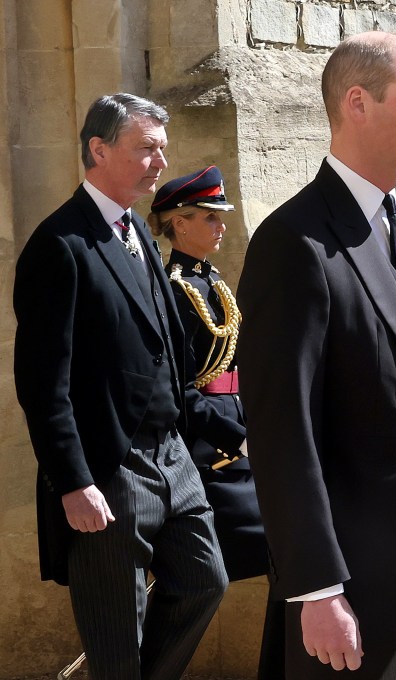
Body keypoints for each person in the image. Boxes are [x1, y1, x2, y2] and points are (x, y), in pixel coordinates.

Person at [236, 32, 396, 679]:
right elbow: (282, 429)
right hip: (371, 557)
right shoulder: (294, 242)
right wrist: (316, 587)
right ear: (357, 104)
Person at [13, 93, 228, 678]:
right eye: (144, 149)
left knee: (205, 581)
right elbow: (42, 383)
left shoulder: (135, 227)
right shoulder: (59, 246)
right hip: (110, 466)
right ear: (98, 149)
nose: (159, 163)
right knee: (115, 635)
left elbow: (170, 353)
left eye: (162, 149)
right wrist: (74, 481)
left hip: (172, 456)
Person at [148, 166, 268, 582]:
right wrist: (236, 437)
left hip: (233, 428)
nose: (221, 225)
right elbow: (180, 389)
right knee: (214, 573)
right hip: (206, 444)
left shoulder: (211, 281)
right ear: (179, 223)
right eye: (210, 216)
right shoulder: (175, 289)